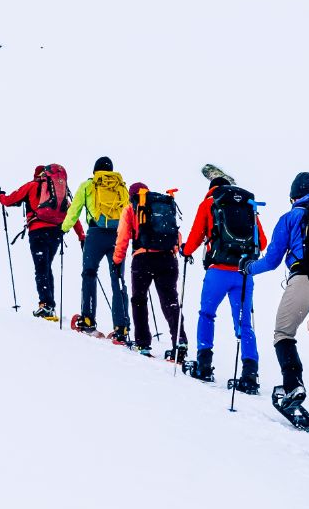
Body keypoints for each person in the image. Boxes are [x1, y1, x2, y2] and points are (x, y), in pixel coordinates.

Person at [250, 172, 309, 433]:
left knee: (283, 333)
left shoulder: (291, 217)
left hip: (303, 279)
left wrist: (248, 268)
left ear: (293, 195)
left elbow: (271, 261)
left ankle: (293, 384)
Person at [179, 164, 266, 391]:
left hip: (217, 272)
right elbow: (262, 242)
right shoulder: (248, 207)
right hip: (243, 274)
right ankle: (249, 373)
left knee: (207, 314)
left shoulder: (209, 203)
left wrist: (185, 251)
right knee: (244, 323)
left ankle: (204, 364)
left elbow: (196, 236)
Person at [60, 157, 132, 341]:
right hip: (117, 236)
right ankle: (121, 328)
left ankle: (88, 320)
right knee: (117, 279)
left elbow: (74, 210)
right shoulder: (120, 186)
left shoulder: (88, 185)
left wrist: (64, 228)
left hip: (95, 235)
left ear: (95, 171)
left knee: (89, 274)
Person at [113, 181, 187, 358]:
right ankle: (180, 340)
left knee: (139, 299)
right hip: (168, 258)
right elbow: (176, 235)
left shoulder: (131, 208)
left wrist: (117, 260)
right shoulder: (163, 205)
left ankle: (143, 343)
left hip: (143, 258)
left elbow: (123, 237)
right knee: (170, 301)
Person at [0, 163, 72, 321]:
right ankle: (49, 305)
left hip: (38, 232)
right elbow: (70, 212)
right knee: (46, 267)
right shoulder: (58, 192)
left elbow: (10, 200)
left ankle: (46, 305)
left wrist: (0, 196)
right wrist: (81, 235)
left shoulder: (31, 186)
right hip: (55, 234)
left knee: (41, 268)